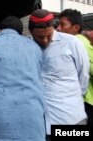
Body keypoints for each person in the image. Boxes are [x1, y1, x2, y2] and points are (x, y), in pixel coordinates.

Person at [28, 9, 89, 140]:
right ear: (31, 32)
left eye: (48, 36)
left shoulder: (72, 43)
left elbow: (83, 75)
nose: (44, 40)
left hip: (70, 119)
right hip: (40, 125)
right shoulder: (26, 46)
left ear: (53, 28)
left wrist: (72, 98)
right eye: (39, 37)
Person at [56, 9, 93, 125]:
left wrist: (79, 92)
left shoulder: (78, 42)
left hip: (85, 102)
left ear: (76, 27)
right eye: (58, 25)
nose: (58, 29)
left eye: (63, 25)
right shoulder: (71, 42)